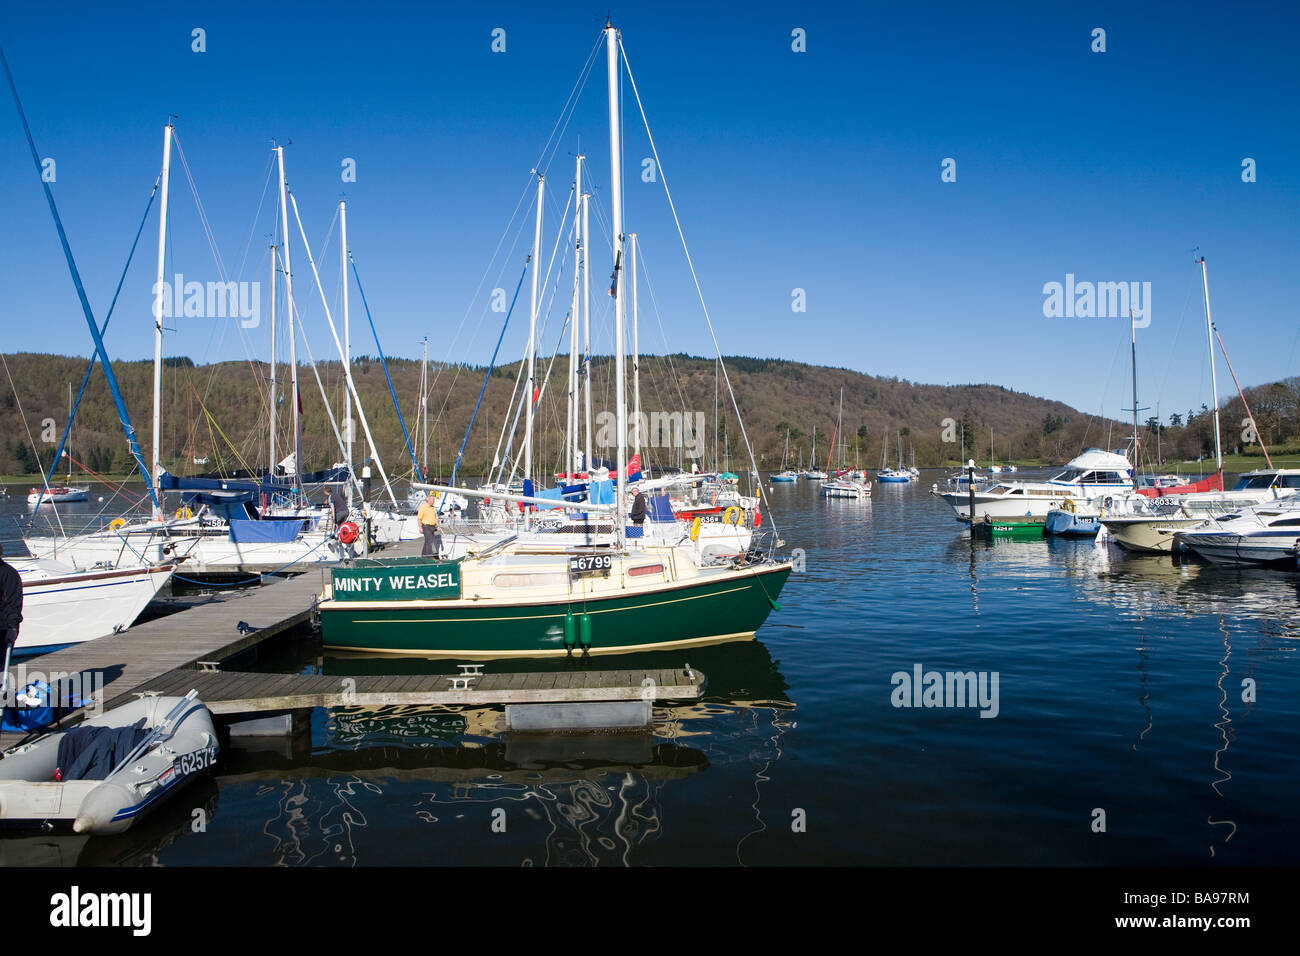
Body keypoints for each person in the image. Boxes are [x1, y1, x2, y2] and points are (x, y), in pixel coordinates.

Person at [1, 543, 22, 715]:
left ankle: (4, 707)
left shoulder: (8, 574)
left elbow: (14, 603)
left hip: (2, 628)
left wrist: (13, 626)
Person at [417, 492, 442, 559]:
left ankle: (423, 555)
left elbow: (436, 518)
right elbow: (419, 519)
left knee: (427, 541)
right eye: (433, 500)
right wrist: (420, 528)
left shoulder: (433, 508)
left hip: (432, 526)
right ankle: (429, 556)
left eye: (434, 500)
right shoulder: (423, 508)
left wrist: (438, 526)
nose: (434, 501)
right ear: (428, 500)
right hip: (426, 526)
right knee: (429, 541)